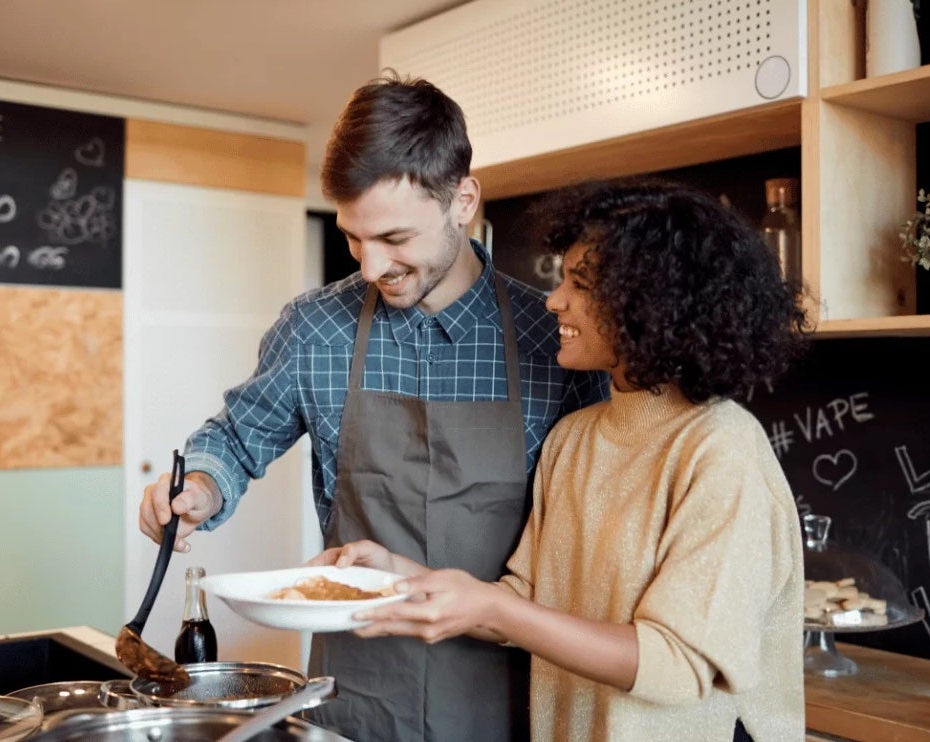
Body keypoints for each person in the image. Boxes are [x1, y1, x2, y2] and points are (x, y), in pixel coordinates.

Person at [138, 72, 610, 742]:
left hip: (508, 694)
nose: (370, 266)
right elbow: (238, 439)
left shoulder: (553, 340)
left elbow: (585, 541)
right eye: (355, 238)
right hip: (354, 695)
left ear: (463, 200)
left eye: (395, 238)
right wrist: (200, 488)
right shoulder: (315, 327)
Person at [316, 177, 813, 741]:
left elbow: (677, 663)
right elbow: (522, 604)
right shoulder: (575, 437)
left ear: (650, 303)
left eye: (581, 283)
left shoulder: (720, 449)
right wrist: (396, 575)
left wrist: (494, 609)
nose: (554, 299)